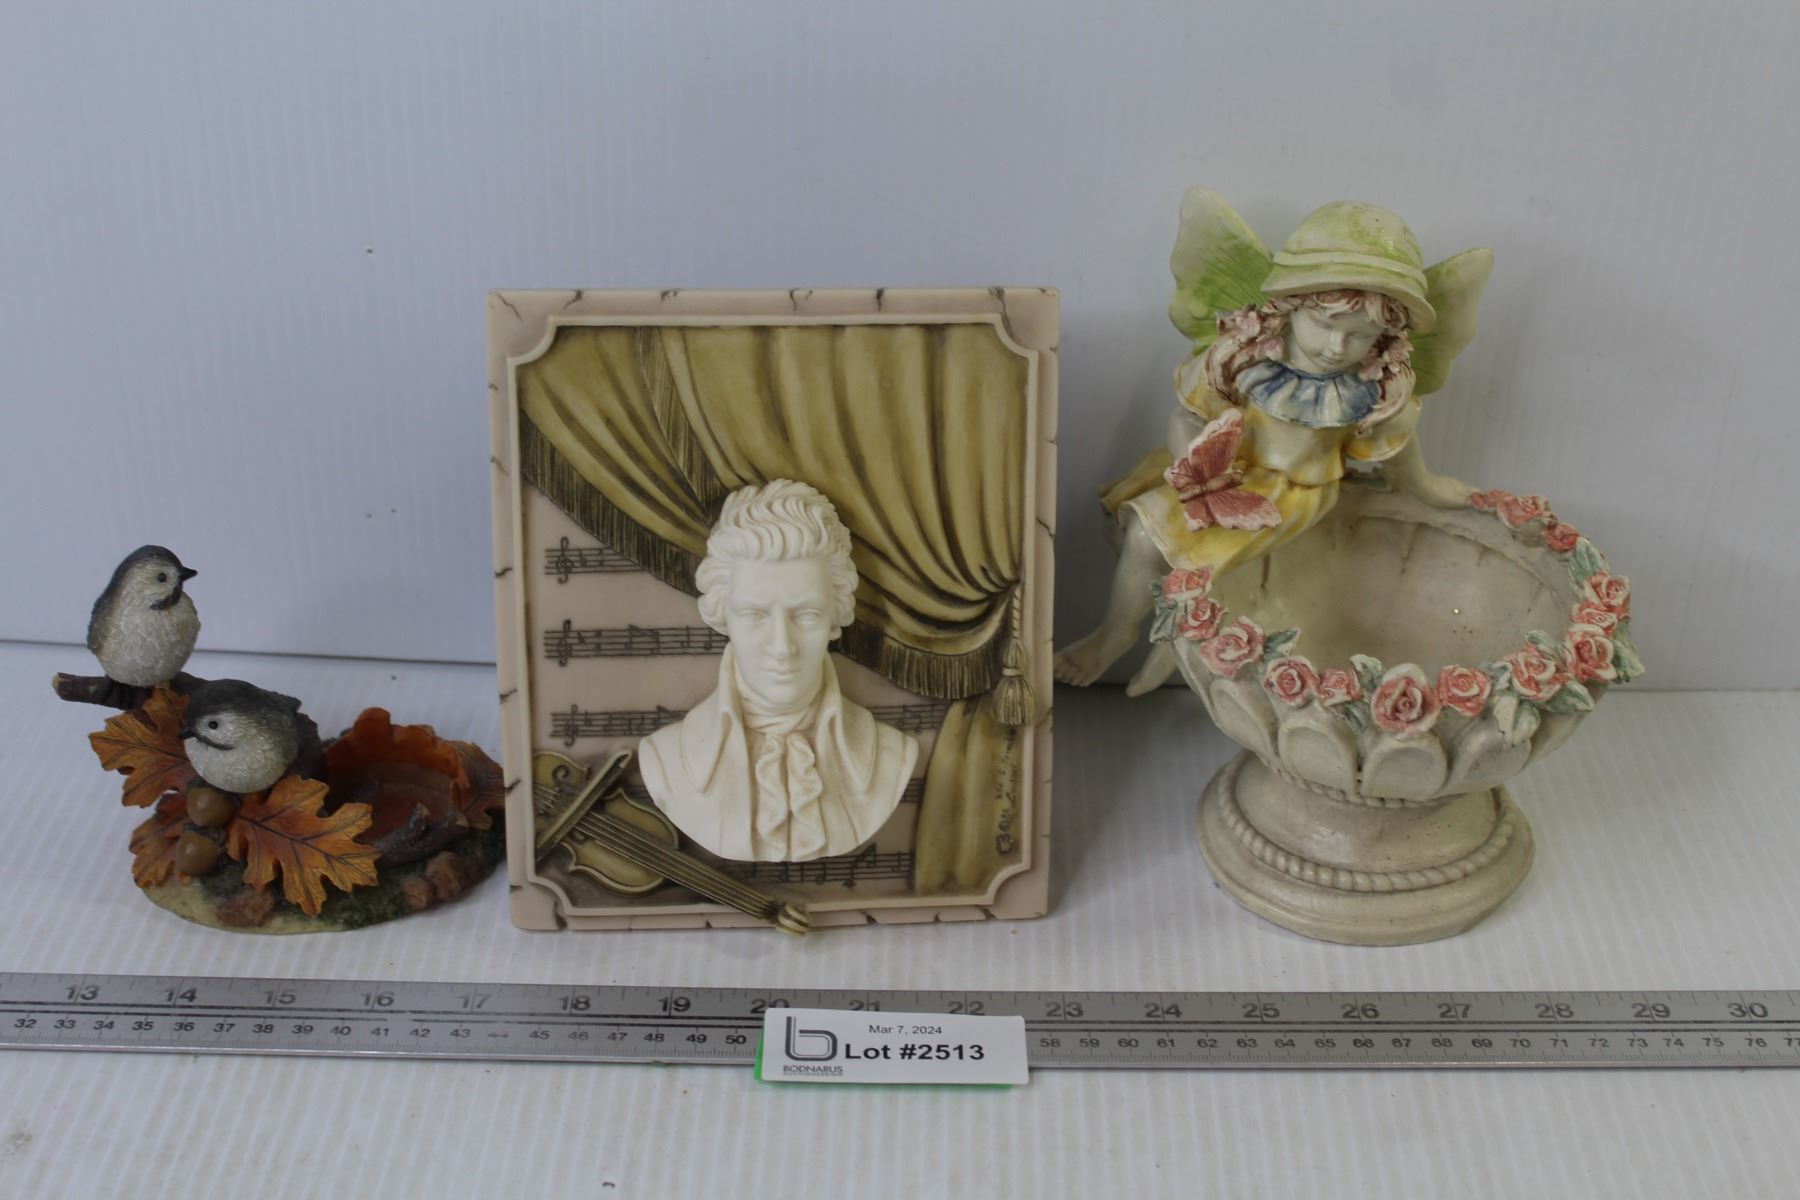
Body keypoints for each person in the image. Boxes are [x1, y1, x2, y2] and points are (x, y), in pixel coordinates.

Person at [1054, 196, 1491, 695]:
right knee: (1140, 536)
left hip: (1289, 495)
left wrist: (1426, 488)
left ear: (1384, 337)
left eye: (1359, 336)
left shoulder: (1373, 388)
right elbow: (1185, 416)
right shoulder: (1243, 356)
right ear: (1290, 306)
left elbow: (1398, 452)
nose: (1336, 347)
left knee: (1196, 565)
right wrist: (1196, 468)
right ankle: (1114, 635)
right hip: (1215, 469)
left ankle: (1178, 645)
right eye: (1324, 325)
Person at [638, 480, 919, 862]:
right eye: (755, 615)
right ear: (723, 615)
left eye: (806, 614)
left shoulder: (890, 758)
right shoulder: (667, 761)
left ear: (835, 616)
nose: (782, 646)